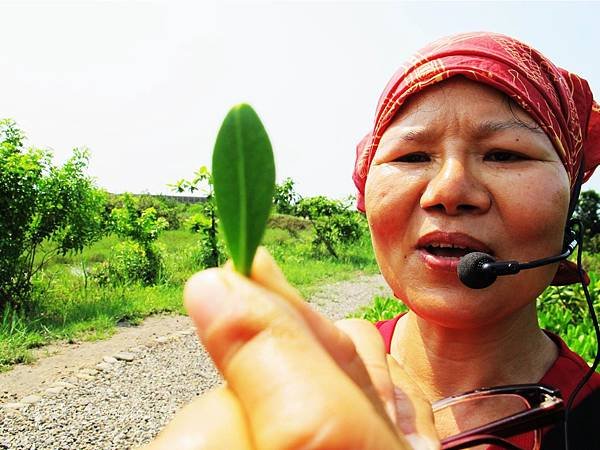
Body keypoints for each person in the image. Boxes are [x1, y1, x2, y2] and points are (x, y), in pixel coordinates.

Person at [144, 32, 600, 450]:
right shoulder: (308, 379)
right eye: (413, 155)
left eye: (506, 155)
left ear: (570, 202)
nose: (449, 191)